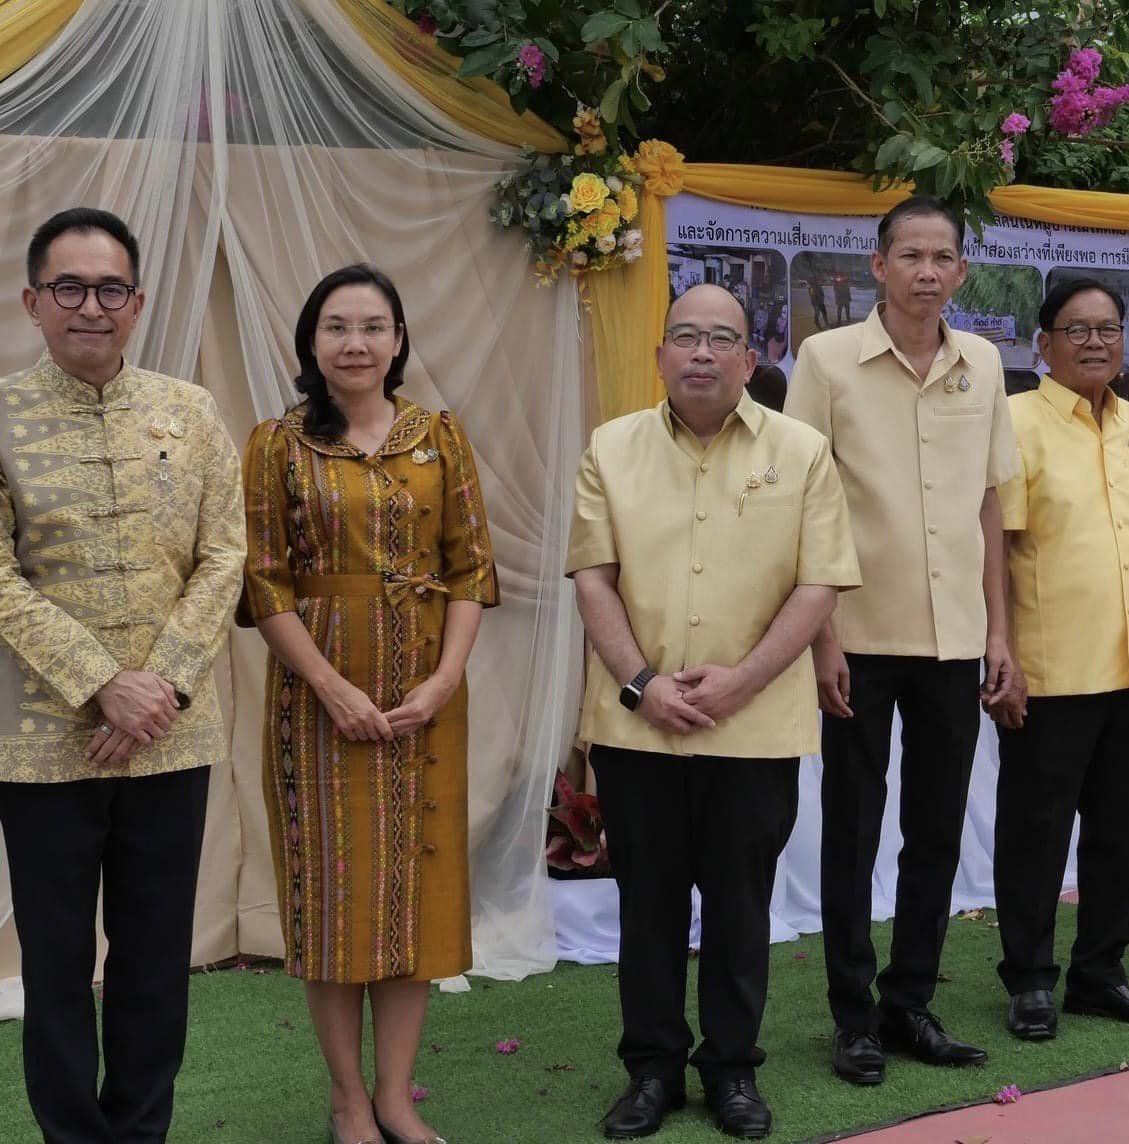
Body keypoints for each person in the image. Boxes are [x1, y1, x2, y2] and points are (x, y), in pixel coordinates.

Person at [0, 207, 245, 1142]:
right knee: (56, 962)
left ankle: (141, 1131)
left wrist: (160, 685)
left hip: (172, 734)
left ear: (137, 303)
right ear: (32, 301)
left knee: (156, 961)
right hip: (42, 743)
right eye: (68, 287)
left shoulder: (191, 412)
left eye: (111, 288)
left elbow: (225, 556)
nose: (91, 306)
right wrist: (101, 683)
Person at [568, 284, 860, 1139]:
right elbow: (593, 578)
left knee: (740, 907)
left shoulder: (802, 452)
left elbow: (820, 583)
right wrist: (641, 684)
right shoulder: (610, 448)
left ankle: (732, 1070)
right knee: (648, 908)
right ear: (659, 354)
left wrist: (745, 681)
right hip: (637, 727)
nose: (702, 353)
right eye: (686, 337)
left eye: (721, 339)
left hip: (754, 727)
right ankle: (651, 1071)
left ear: (750, 358)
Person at [241, 264, 498, 1144]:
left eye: (373, 327)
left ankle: (396, 1096)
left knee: (414, 899)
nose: (356, 343)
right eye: (337, 327)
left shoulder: (441, 437)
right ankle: (348, 1100)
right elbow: (263, 582)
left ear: (398, 341)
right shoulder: (277, 443)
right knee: (334, 901)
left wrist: (444, 680)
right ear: (311, 343)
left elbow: (472, 568)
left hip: (427, 697)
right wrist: (330, 687)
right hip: (316, 701)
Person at [786, 195, 1020, 1084]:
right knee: (852, 828)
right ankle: (853, 1018)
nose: (927, 272)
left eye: (942, 257)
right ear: (878, 266)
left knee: (936, 829)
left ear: (962, 271)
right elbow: (802, 505)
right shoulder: (827, 360)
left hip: (955, 636)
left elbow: (991, 505)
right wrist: (821, 639)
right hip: (856, 631)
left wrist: (1000, 632)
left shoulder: (983, 362)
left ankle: (910, 1003)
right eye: (910, 256)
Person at [987, 278, 1129, 1041]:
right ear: (1044, 344)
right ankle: (1030, 981)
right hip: (1050, 668)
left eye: (1109, 328)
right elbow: (998, 549)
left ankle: (1101, 973)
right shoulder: (1015, 423)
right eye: (1077, 329)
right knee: (1036, 835)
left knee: (1124, 834)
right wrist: (1002, 652)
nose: (1095, 342)